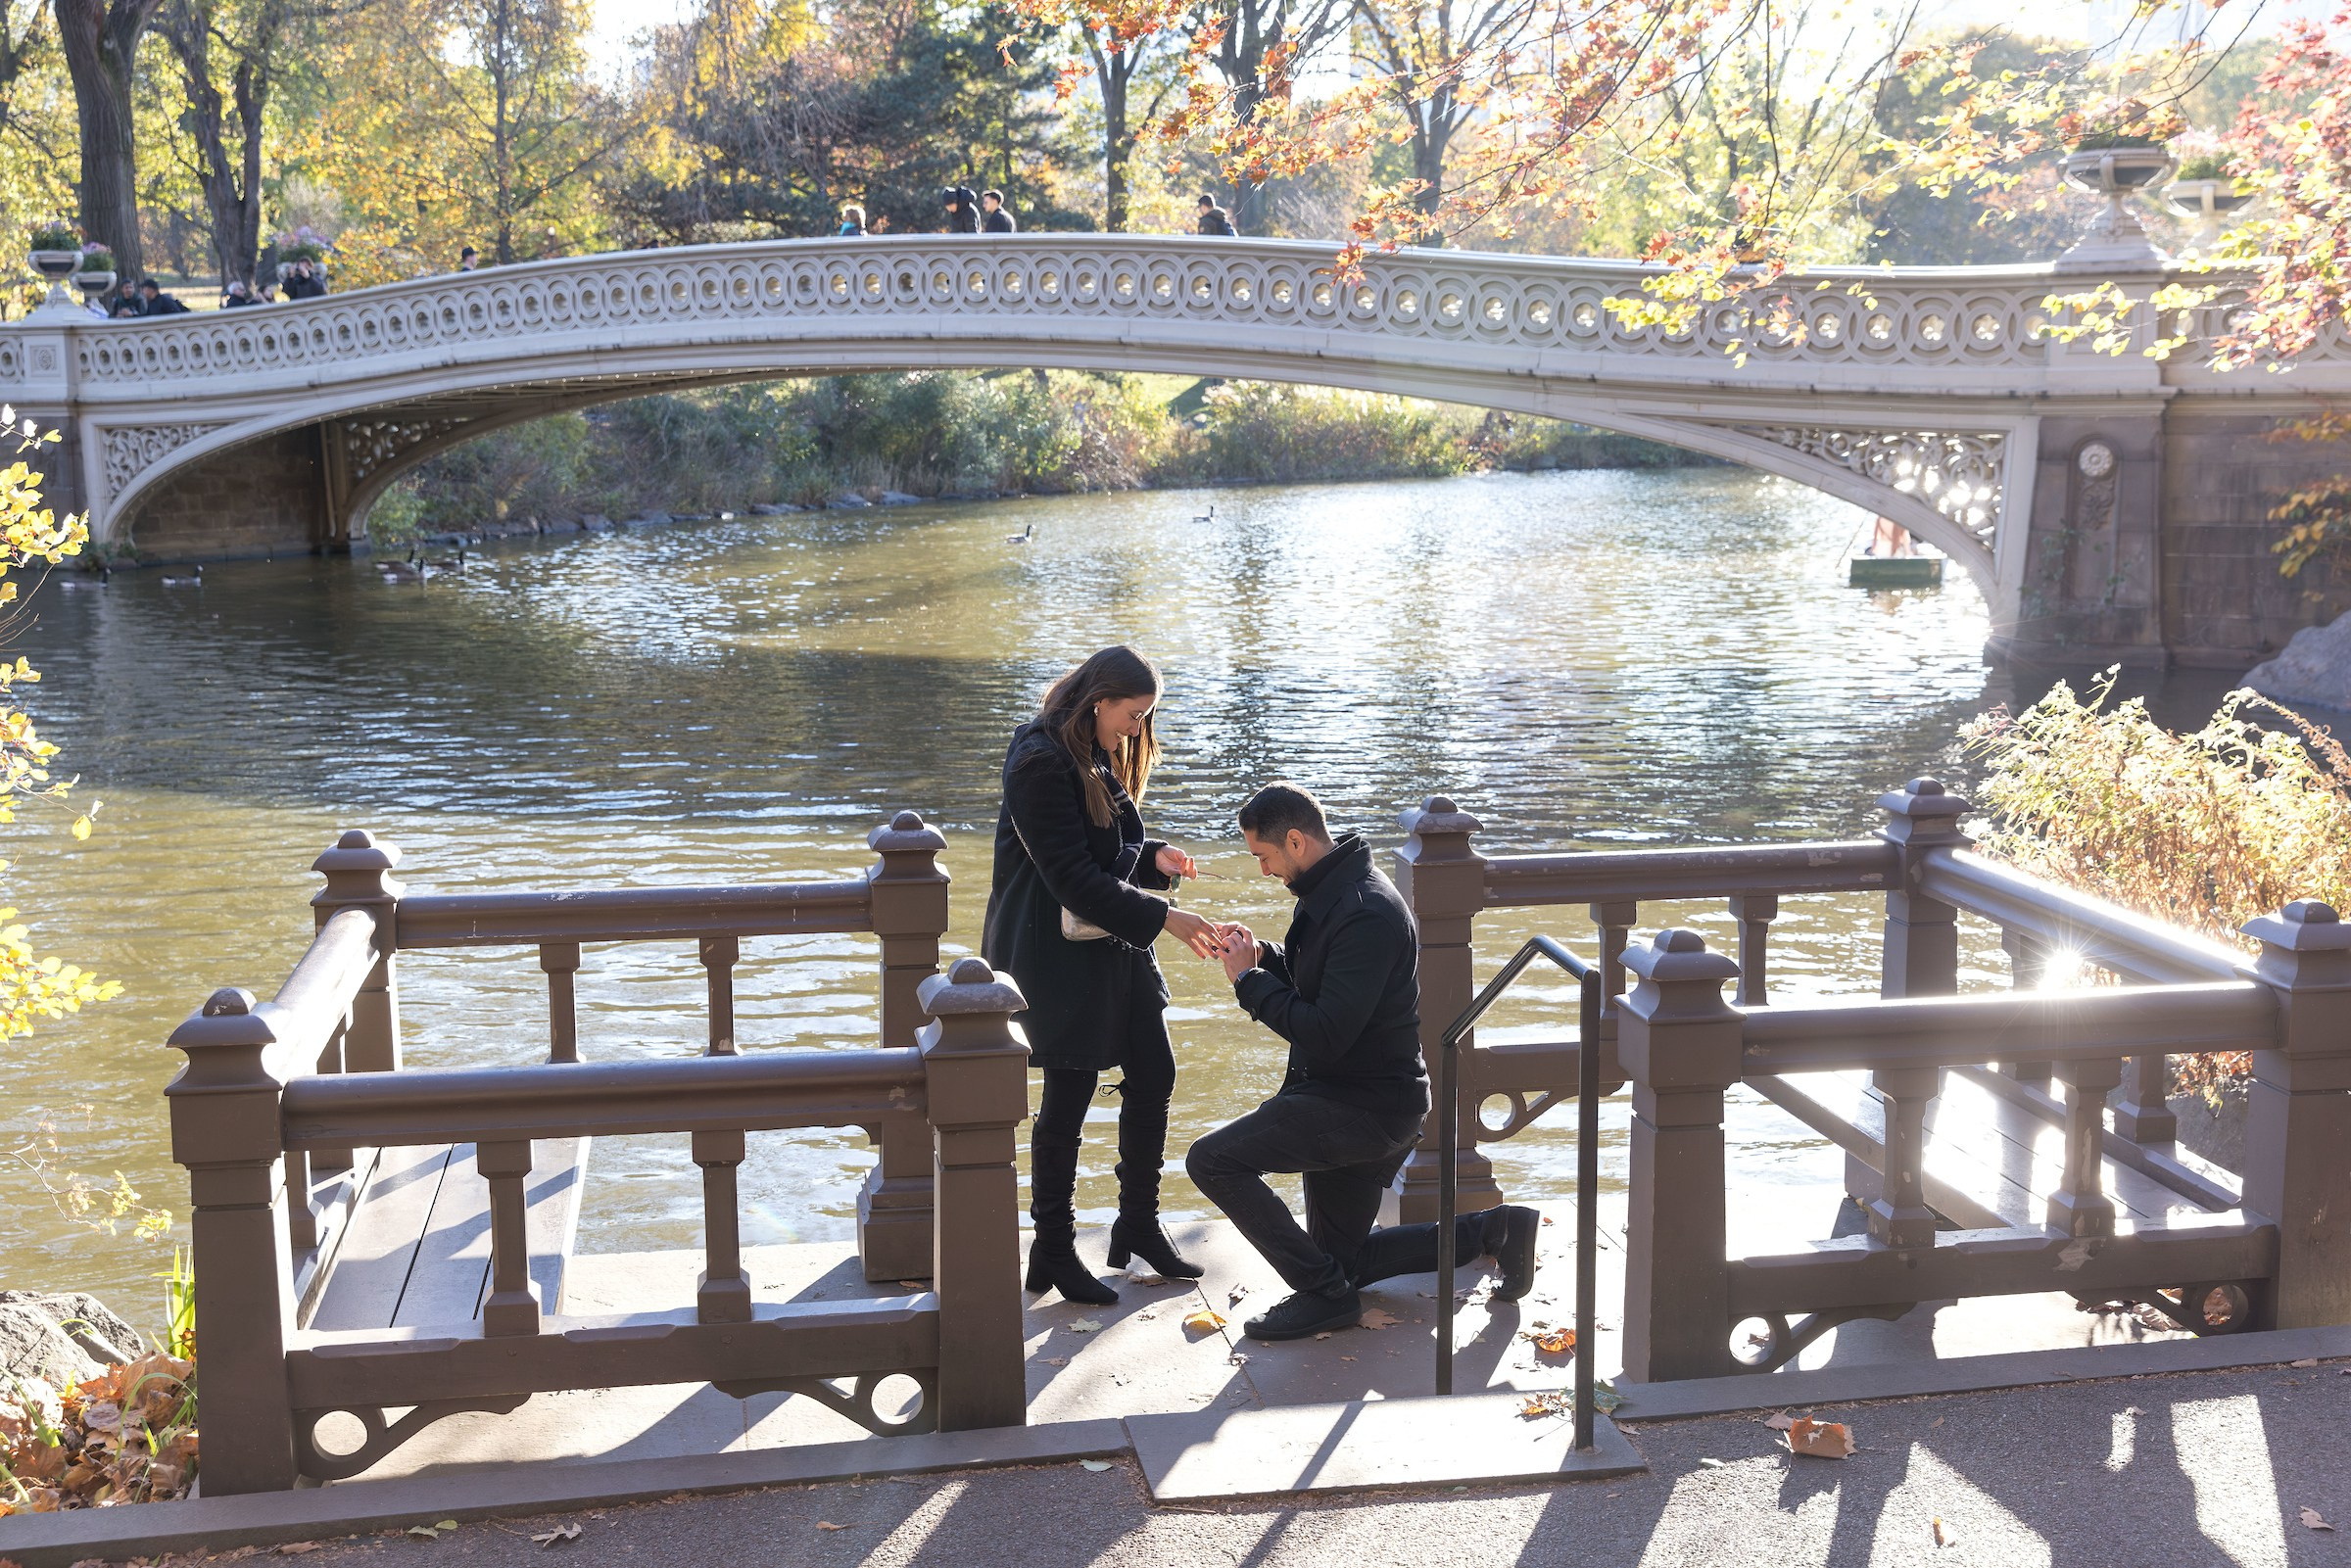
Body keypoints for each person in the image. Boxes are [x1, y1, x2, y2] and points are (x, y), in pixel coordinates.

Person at [1188, 783, 1538, 1341]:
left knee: (1212, 1161)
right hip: (1343, 1094)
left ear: (1297, 841)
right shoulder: (1333, 891)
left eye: (1264, 856)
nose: (1263, 871)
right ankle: (1493, 1231)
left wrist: (1249, 983)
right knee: (1341, 1260)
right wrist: (1263, 959)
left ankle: (1324, 1296)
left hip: (1365, 1109)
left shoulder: (1364, 910)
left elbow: (1327, 1032)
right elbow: (1323, 991)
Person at [984, 645, 1226, 1306]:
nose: (1137, 728)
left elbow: (1103, 853)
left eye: (1145, 715)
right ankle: (1054, 1247)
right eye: (1132, 713)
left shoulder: (1086, 746)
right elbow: (1070, 877)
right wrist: (1165, 916)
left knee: (1155, 1071)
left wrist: (1154, 859)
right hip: (1055, 951)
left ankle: (1137, 1224)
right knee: (1069, 1091)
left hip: (1106, 939)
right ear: (1099, 698)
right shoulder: (1038, 759)